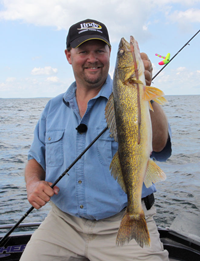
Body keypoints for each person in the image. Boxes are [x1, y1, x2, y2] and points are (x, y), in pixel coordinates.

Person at [20, 19, 171, 261]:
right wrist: (32, 185)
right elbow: (35, 160)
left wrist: (147, 90)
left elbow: (160, 144)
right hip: (62, 224)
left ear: (109, 54)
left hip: (121, 219)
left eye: (100, 50)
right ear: (69, 56)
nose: (93, 58)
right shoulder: (52, 108)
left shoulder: (135, 95)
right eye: (83, 51)